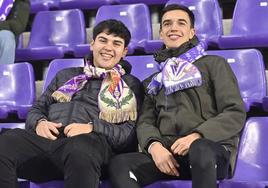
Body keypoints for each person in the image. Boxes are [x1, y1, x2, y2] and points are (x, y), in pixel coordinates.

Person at [109, 4, 246, 188]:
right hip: (169, 156)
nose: (173, 28)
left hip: (209, 150)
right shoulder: (155, 80)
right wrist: (154, 146)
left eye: (181, 23)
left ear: (191, 32)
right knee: (120, 164)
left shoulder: (214, 64)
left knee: (200, 148)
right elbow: (145, 122)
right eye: (167, 24)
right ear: (161, 33)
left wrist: (197, 136)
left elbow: (234, 112)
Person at [0, 19, 143, 188]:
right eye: (103, 40)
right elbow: (38, 108)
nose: (108, 48)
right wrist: (40, 123)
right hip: (50, 144)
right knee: (7, 140)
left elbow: (128, 134)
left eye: (116, 43)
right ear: (92, 44)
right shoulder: (65, 75)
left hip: (92, 149)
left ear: (124, 52)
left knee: (80, 147)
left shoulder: (130, 84)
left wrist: (92, 128)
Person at [0, 0, 30, 64]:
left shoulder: (20, 1)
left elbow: (17, 26)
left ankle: (3, 72)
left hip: (3, 36)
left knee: (6, 36)